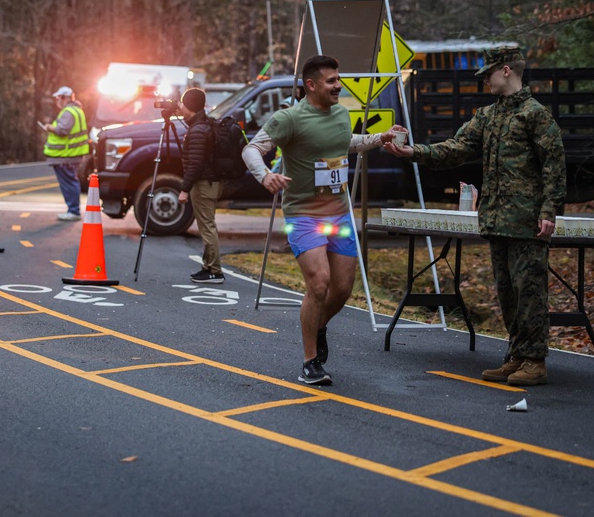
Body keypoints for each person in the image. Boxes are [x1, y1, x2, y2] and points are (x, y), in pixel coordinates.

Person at [385, 46, 566, 387]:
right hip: (498, 220)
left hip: (527, 222)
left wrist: (548, 211)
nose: (485, 80)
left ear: (507, 71)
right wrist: (413, 152)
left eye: (489, 73)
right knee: (507, 292)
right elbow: (455, 149)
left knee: (530, 292)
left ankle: (535, 360)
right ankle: (517, 355)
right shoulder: (489, 116)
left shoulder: (534, 115)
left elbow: (553, 166)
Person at [241, 55, 407, 386]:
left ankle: (318, 325)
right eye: (331, 81)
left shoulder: (342, 113)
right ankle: (310, 361)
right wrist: (264, 177)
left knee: (342, 288)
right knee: (319, 283)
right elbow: (251, 150)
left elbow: (346, 143)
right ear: (311, 85)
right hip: (303, 214)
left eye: (338, 79)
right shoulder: (289, 118)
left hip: (338, 213)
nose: (338, 85)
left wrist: (381, 138)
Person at [177, 88, 224, 284]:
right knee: (207, 224)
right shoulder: (204, 125)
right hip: (209, 182)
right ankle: (208, 267)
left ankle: (214, 270)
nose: (180, 106)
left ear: (189, 106)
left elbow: (195, 165)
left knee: (207, 226)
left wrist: (184, 189)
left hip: (204, 184)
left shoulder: (197, 131)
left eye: (182, 103)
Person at [44, 86, 89, 221]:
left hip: (66, 155)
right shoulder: (77, 110)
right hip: (72, 154)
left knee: (69, 182)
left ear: (65, 97)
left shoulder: (68, 112)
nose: (58, 101)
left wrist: (50, 128)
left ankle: (73, 210)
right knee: (71, 181)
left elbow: (62, 130)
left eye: (59, 97)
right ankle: (73, 209)